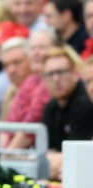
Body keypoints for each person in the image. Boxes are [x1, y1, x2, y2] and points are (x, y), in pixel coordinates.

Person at [40, 45, 93, 180]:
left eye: (61, 72)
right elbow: (47, 155)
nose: (56, 79)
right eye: (50, 74)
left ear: (75, 73)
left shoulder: (85, 103)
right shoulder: (51, 107)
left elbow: (80, 157)